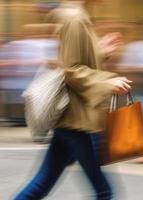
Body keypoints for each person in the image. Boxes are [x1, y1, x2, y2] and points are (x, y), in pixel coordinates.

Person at [13, 1, 130, 199]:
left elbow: (78, 63)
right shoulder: (74, 19)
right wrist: (107, 82)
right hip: (77, 121)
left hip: (74, 119)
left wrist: (102, 52)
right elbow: (71, 69)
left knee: (41, 184)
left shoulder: (80, 16)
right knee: (104, 192)